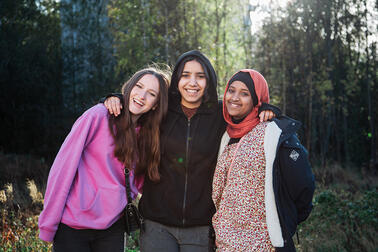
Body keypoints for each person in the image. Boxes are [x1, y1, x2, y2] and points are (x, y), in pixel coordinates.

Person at [104, 50, 279, 251]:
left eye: (200, 76)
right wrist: (116, 98)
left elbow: (247, 116)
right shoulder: (160, 109)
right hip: (156, 225)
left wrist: (268, 110)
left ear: (209, 81)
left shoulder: (222, 114)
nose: (192, 82)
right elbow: (136, 106)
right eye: (186, 75)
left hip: (201, 227)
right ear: (177, 79)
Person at [38, 67, 170, 252]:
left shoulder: (148, 137)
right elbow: (63, 169)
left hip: (112, 228)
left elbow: (142, 183)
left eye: (151, 94)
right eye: (139, 87)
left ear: (156, 104)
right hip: (73, 226)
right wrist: (48, 223)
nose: (141, 95)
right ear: (129, 87)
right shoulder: (98, 116)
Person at [212, 69, 315, 251]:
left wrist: (284, 224)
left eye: (244, 93)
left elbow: (302, 184)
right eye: (231, 90)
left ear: (256, 99)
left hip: (262, 244)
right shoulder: (225, 133)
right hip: (225, 243)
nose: (234, 97)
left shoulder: (273, 133)